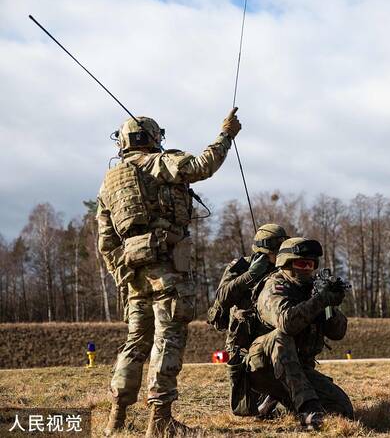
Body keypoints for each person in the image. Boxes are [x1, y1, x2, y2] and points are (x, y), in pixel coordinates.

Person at [98, 109, 241, 437]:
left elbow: (106, 243)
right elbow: (202, 165)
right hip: (168, 270)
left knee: (135, 342)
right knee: (168, 337)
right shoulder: (159, 162)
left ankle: (116, 419)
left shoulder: (109, 182)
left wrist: (123, 275)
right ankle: (159, 419)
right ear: (150, 139)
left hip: (134, 273)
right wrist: (226, 134)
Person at [247, 237, 354, 430]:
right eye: (301, 263)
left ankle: (278, 401)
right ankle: (307, 411)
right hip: (262, 368)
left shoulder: (312, 290)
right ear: (286, 263)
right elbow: (286, 323)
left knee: (343, 410)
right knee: (281, 336)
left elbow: (338, 332)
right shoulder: (275, 287)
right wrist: (319, 301)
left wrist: (328, 306)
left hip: (299, 370)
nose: (307, 268)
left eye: (311, 264)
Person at [207, 223, 289, 416]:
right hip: (242, 337)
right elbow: (222, 297)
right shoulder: (241, 266)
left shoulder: (282, 270)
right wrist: (250, 275)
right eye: (276, 250)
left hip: (269, 335)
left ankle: (276, 400)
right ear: (263, 251)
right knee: (244, 408)